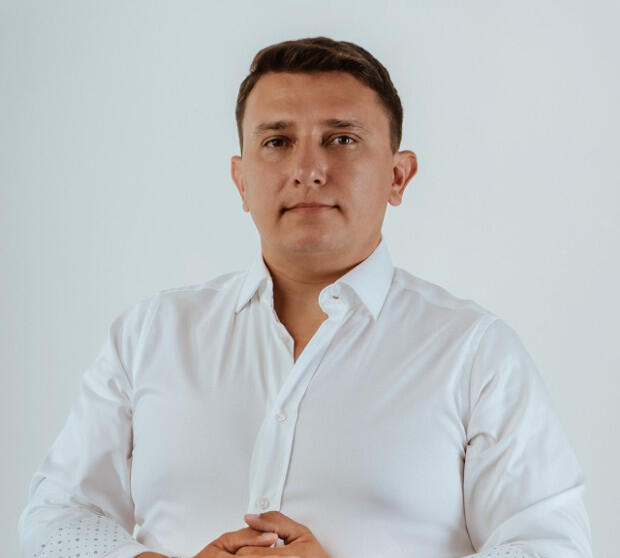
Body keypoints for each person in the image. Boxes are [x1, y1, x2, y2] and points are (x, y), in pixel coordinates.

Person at [18, 36, 593, 558]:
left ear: (398, 176)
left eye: (342, 139)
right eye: (277, 141)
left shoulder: (474, 352)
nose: (308, 169)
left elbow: (551, 545)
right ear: (241, 180)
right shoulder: (151, 334)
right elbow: (55, 518)